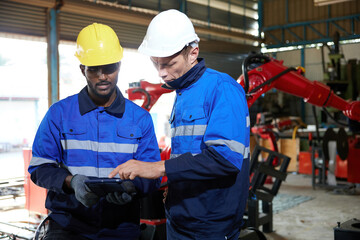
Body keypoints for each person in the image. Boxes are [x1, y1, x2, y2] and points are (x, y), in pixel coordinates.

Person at [109, 9, 250, 240]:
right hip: (180, 217)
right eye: (156, 64)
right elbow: (189, 155)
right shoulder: (183, 92)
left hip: (211, 225)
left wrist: (158, 168)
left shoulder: (222, 89)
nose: (161, 73)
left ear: (193, 52)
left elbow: (225, 159)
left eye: (169, 64)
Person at [28, 23, 160, 240]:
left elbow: (151, 172)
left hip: (121, 227)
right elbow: (40, 168)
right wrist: (72, 183)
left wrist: (131, 188)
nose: (102, 76)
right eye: (93, 69)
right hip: (68, 226)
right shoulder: (59, 114)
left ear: (119, 66)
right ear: (83, 69)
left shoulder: (140, 119)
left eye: (109, 68)